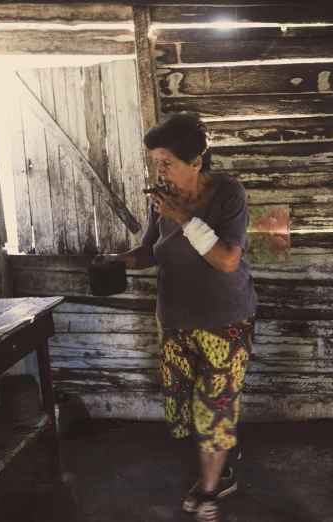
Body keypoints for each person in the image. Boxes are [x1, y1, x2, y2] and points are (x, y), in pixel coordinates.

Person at [109, 112, 257, 522]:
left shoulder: (229, 195)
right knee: (189, 405)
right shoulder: (163, 198)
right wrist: (115, 261)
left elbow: (228, 261)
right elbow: (149, 250)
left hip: (223, 322)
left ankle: (210, 491)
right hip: (175, 321)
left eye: (167, 163)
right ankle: (220, 467)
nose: (159, 171)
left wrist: (182, 217)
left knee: (215, 405)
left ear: (196, 162)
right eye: (156, 162)